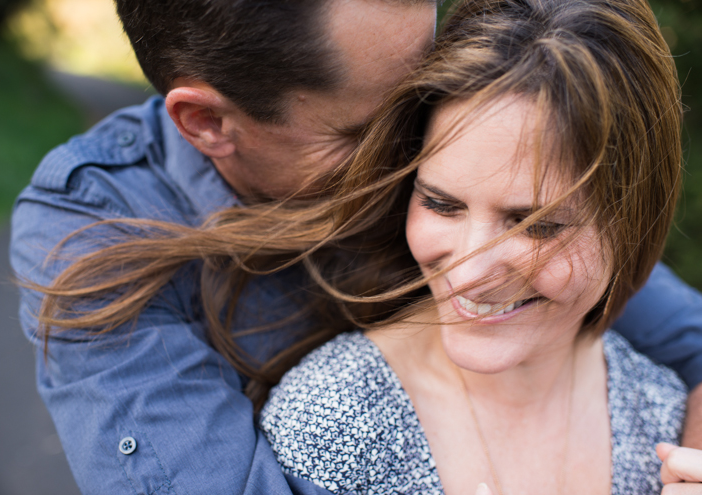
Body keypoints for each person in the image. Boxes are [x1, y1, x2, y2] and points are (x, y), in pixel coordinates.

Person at [9, 0, 702, 494]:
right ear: (208, 123)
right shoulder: (100, 226)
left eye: (423, 100)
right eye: (371, 132)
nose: (425, 140)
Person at [259, 0, 695, 493]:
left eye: (535, 226)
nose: (467, 275)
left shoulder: (666, 416)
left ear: (634, 219)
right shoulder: (332, 425)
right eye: (441, 204)